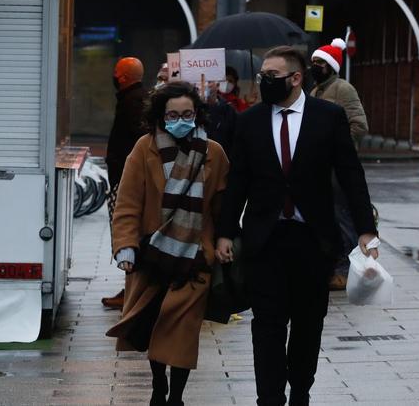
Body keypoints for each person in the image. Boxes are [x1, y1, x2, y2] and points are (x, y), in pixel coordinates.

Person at [216, 46, 378, 406]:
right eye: (261, 76)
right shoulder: (251, 121)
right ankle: (269, 398)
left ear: (295, 78)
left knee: (308, 324)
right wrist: (226, 231)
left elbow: (351, 175)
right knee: (267, 325)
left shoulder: (328, 116)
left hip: (313, 240)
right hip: (265, 240)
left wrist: (366, 230)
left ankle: (300, 389)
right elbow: (238, 178)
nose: (263, 82)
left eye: (270, 76)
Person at [108, 82, 230, 406]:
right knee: (155, 327)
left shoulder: (214, 153)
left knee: (183, 331)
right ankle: (158, 385)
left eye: (187, 114)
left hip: (194, 259)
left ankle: (176, 396)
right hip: (151, 256)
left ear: (197, 114)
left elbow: (223, 207)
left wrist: (223, 239)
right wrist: (125, 247)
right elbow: (128, 204)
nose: (180, 120)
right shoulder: (143, 149)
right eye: (173, 114)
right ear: (161, 116)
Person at [310, 38, 370, 291]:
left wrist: (336, 146)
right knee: (326, 217)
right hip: (318, 167)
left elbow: (359, 125)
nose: (315, 66)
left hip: (337, 167)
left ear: (331, 65)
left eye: (320, 62)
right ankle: (330, 265)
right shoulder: (314, 92)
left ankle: (345, 270)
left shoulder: (343, 89)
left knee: (343, 217)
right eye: (313, 62)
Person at [103, 57, 149, 310]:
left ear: (122, 77)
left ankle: (131, 290)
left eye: (116, 71)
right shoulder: (137, 99)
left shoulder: (132, 102)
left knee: (125, 234)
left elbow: (136, 141)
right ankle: (131, 288)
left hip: (125, 184)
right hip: (125, 181)